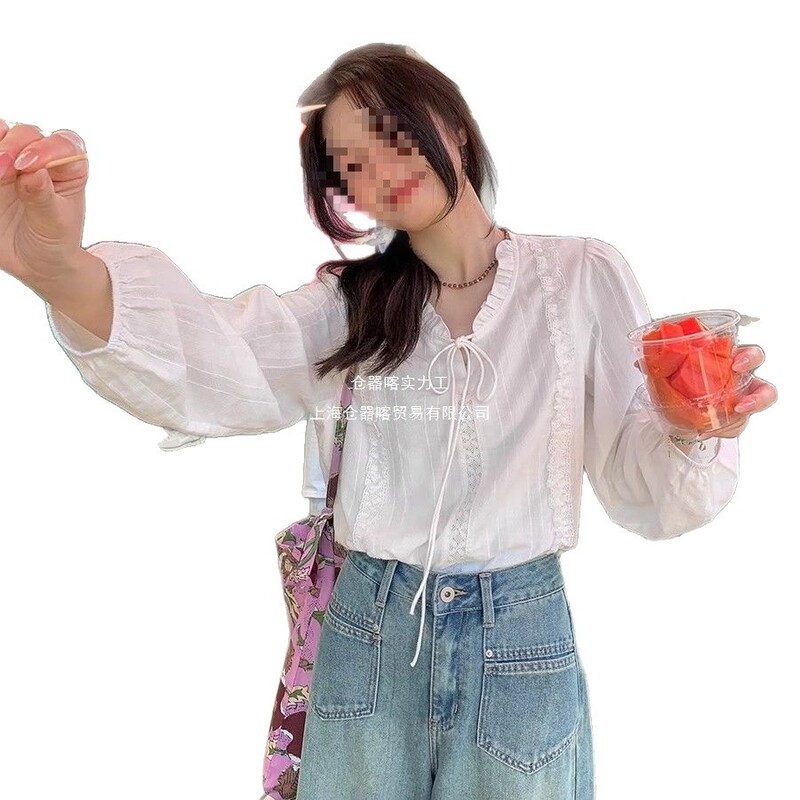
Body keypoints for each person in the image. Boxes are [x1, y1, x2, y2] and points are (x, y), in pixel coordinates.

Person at [0, 42, 777, 800]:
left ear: (455, 127)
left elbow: (642, 483)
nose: (380, 170)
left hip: (521, 635)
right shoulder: (353, 302)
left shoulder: (578, 275)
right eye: (351, 164)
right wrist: (61, 269)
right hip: (368, 632)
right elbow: (222, 355)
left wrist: (692, 427)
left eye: (392, 133)